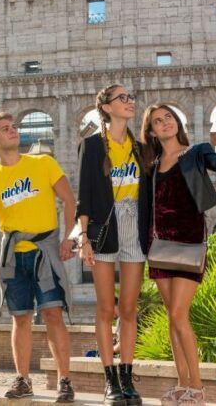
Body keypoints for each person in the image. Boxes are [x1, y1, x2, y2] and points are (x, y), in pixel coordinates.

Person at [139, 99, 216, 406]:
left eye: (169, 117)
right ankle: (181, 383)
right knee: (171, 317)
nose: (165, 122)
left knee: (180, 314)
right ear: (152, 132)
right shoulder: (151, 165)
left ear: (177, 123)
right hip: (161, 244)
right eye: (157, 121)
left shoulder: (195, 152)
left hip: (190, 241)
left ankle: (197, 387)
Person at [0, 111, 76, 403]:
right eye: (5, 129)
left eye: (14, 127)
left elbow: (70, 200)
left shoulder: (43, 163)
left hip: (45, 251)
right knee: (19, 319)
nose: (13, 131)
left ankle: (65, 381)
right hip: (13, 258)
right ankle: (23, 380)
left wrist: (69, 238)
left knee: (53, 314)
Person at [77, 84, 147, 406]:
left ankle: (128, 378)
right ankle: (110, 381)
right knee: (106, 309)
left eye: (131, 97)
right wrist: (84, 238)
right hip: (105, 225)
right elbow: (84, 197)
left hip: (135, 224)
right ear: (106, 107)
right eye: (123, 98)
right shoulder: (91, 147)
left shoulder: (143, 147)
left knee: (129, 309)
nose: (129, 101)